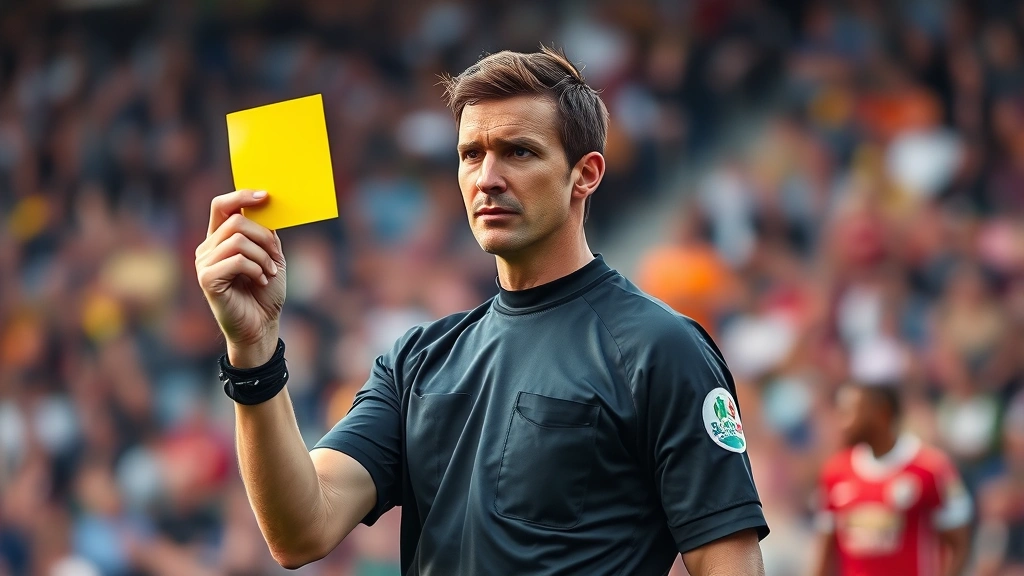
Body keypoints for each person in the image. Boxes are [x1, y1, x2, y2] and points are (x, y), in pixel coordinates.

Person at [195, 47, 768, 575]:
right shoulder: (416, 361)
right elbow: (301, 530)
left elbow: (728, 565)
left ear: (585, 174)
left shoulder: (660, 349)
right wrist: (254, 349)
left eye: (519, 151)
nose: (487, 178)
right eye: (472, 154)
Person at [812, 376, 973, 576]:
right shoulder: (835, 472)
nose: (841, 423)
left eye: (849, 412)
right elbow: (825, 552)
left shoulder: (930, 468)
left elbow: (959, 545)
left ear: (882, 413)